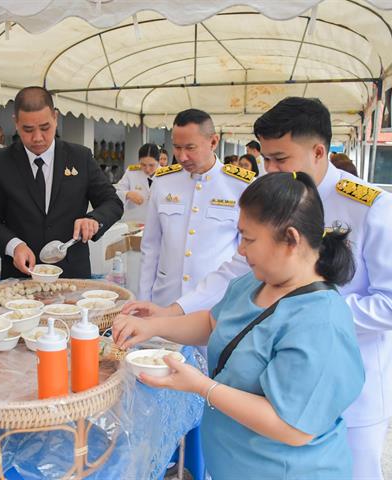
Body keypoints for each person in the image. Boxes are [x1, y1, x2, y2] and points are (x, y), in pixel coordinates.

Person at [127, 97, 392, 480]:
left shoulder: (370, 206)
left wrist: (297, 318)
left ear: (319, 152)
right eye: (265, 159)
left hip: (352, 383)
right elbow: (234, 277)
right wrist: (171, 314)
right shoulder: (265, 229)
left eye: (280, 159)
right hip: (256, 404)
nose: (269, 170)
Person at [113, 172, 364, 478]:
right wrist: (155, 325)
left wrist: (202, 386)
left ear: (291, 239)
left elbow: (293, 428)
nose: (241, 250)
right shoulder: (257, 281)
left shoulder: (321, 323)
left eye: (249, 239)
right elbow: (212, 322)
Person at [0, 86, 123, 279]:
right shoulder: (0, 163)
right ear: (16, 123)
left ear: (55, 117)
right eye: (28, 130)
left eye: (45, 128)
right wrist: (14, 246)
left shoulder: (80, 157)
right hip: (22, 275)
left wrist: (94, 220)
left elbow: (112, 202)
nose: (37, 138)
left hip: (72, 275)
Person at [138, 108, 253, 307]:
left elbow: (247, 254)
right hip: (166, 299)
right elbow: (151, 247)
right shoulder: (163, 181)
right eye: (176, 147)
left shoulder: (240, 186)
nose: (182, 157)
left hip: (216, 303)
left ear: (214, 142)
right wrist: (143, 300)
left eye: (190, 148)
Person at [115, 143, 159, 223]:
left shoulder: (167, 175)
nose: (147, 169)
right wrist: (127, 194)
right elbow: (116, 192)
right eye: (143, 165)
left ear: (158, 162)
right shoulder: (132, 172)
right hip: (133, 221)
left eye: (151, 165)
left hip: (157, 222)